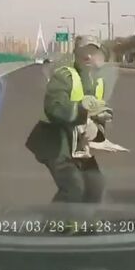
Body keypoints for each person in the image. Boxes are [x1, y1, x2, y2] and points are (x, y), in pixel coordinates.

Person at [26, 35, 113, 204]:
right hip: (54, 143)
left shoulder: (98, 82)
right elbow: (55, 109)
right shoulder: (64, 76)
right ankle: (58, 224)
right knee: (73, 188)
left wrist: (97, 128)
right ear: (75, 54)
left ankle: (84, 223)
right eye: (83, 52)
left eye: (92, 52)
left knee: (96, 185)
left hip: (78, 146)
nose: (88, 56)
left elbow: (101, 113)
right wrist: (82, 110)